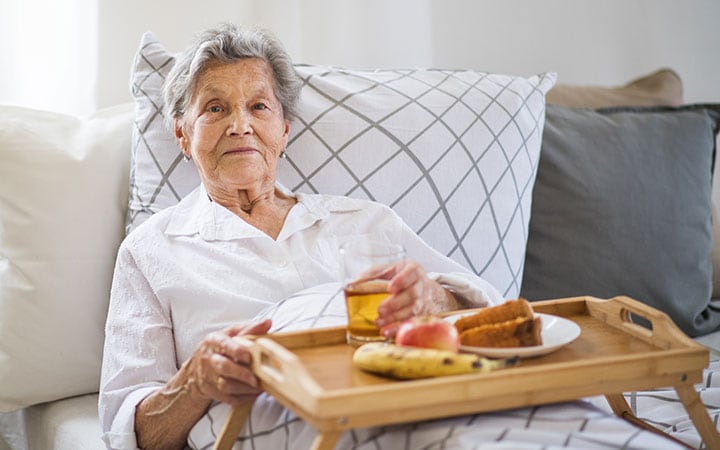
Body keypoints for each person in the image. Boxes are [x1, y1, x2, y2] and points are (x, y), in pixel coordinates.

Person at [99, 23, 502, 450]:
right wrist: (194, 383)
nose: (240, 125)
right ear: (183, 134)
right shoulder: (151, 252)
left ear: (284, 130)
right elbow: (129, 433)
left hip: (416, 413)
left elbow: (496, 317)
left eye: (259, 106)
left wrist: (436, 301)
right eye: (215, 109)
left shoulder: (366, 222)